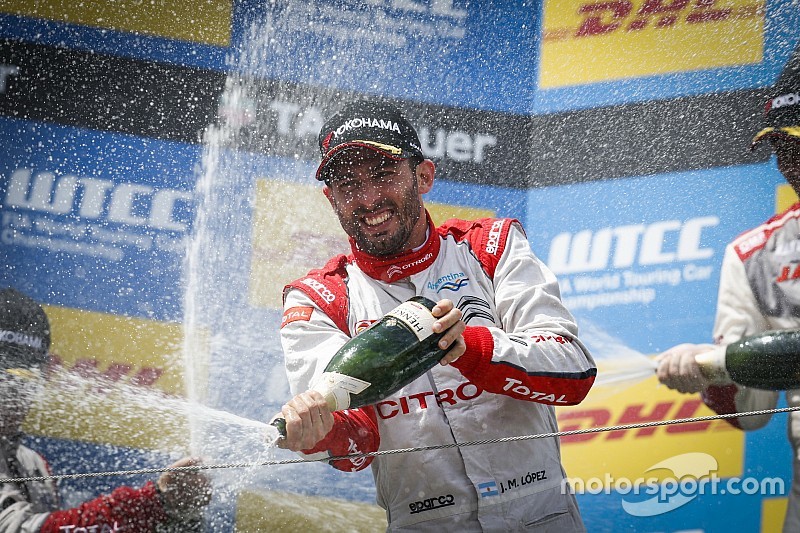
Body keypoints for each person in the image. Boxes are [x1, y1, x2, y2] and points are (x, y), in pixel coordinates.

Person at [275, 100, 597, 531]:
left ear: (423, 176)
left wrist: (472, 349)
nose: (368, 199)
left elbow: (574, 373)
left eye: (383, 174)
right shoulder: (318, 297)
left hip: (541, 515)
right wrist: (321, 433)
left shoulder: (492, 246)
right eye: (348, 184)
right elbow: (357, 442)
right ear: (330, 198)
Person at [656, 44, 800, 531]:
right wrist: (708, 374)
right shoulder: (753, 255)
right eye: (784, 146)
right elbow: (753, 414)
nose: (793, 163)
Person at [0, 287, 212, 532]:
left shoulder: (33, 464)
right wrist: (152, 504)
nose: (13, 392)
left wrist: (176, 513)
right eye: (5, 376)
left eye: (25, 377)